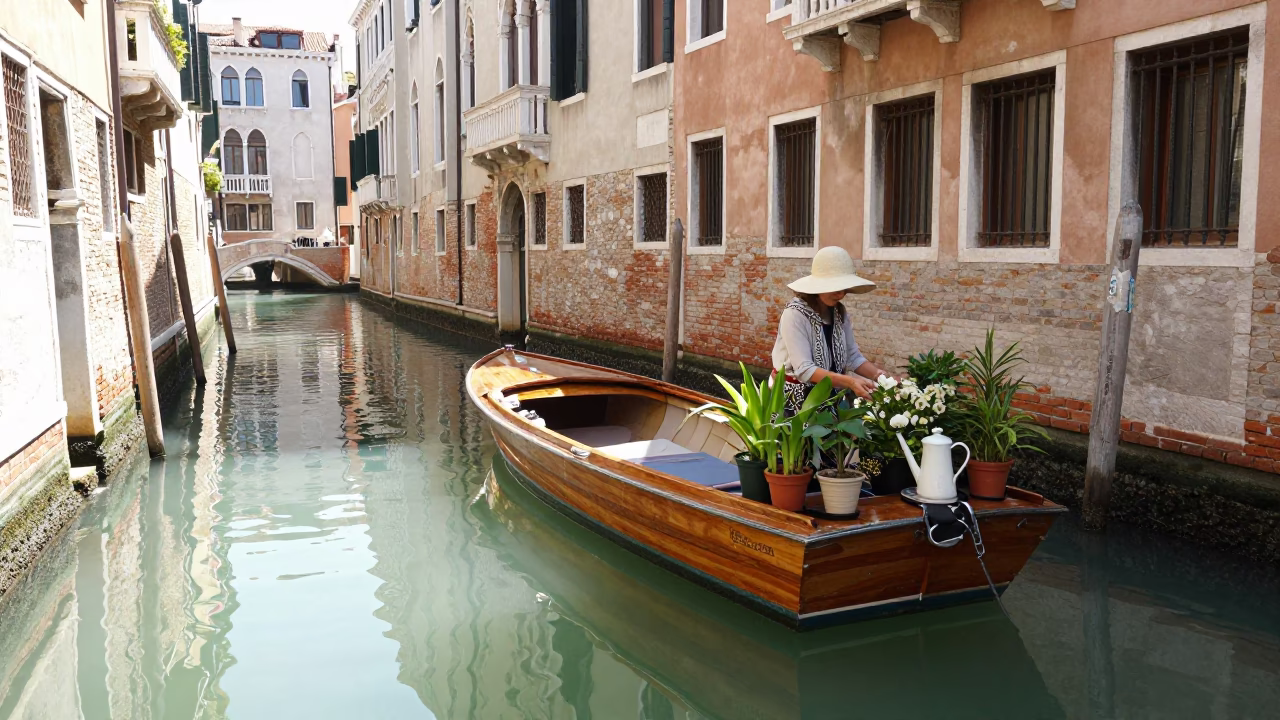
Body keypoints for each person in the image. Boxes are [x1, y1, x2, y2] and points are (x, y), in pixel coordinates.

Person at [771, 246, 892, 413]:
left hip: (832, 395)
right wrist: (850, 382)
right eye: (835, 288)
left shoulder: (839, 312)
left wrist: (881, 377)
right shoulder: (795, 314)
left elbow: (852, 357)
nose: (840, 294)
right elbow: (805, 370)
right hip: (795, 400)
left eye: (844, 289)